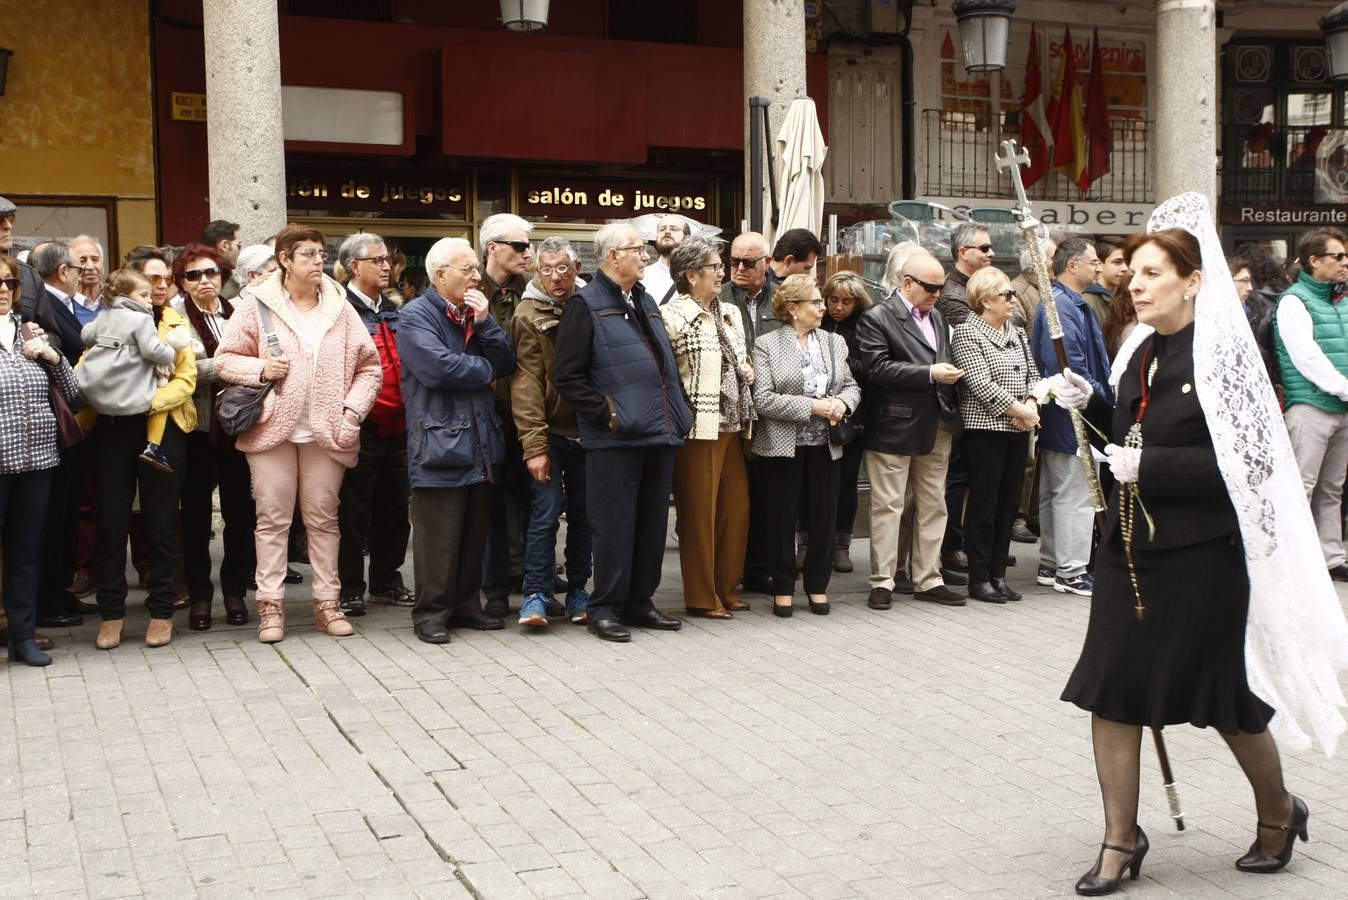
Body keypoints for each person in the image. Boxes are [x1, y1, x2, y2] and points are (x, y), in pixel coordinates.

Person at [1057, 194, 1348, 895]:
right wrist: (1088, 400)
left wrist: (1149, 467)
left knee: (1222, 699)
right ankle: (1121, 841)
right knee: (1112, 693)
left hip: (1203, 558)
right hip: (1128, 553)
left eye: (1152, 273)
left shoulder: (1223, 359)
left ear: (1193, 280)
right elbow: (1127, 428)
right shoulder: (1136, 351)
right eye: (1133, 275)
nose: (1136, 284)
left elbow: (1252, 467)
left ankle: (1279, 811)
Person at [215, 224, 382, 644]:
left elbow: (369, 367)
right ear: (285, 259)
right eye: (307, 254)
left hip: (327, 431)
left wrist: (352, 413)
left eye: (320, 254)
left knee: (324, 519)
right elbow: (224, 360)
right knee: (272, 519)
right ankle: (270, 607)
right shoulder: (256, 305)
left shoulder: (340, 306)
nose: (316, 262)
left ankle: (328, 602)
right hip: (272, 427)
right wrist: (260, 370)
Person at [553, 222, 692, 643]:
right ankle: (605, 606)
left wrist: (679, 408)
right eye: (638, 249)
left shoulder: (644, 299)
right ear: (613, 256)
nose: (646, 256)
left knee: (651, 525)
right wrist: (609, 414)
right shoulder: (585, 304)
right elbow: (567, 377)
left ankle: (639, 602)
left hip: (659, 430)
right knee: (613, 526)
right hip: (615, 437)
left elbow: (664, 362)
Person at [397, 237, 517, 644]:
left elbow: (508, 361)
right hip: (438, 441)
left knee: (473, 530)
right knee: (438, 534)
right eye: (467, 268)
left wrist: (487, 326)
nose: (475, 275)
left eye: (474, 268)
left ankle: (467, 605)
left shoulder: (475, 314)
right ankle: (430, 612)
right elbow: (439, 369)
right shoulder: (416, 315)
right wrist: (485, 369)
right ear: (440, 273)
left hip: (480, 439)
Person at [86, 262, 198, 650]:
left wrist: (149, 402)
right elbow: (89, 366)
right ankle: (111, 615)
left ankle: (162, 612)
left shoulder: (174, 325)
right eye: (151, 279)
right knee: (111, 523)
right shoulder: (110, 320)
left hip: (161, 428)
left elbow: (186, 380)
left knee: (163, 522)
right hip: (112, 428)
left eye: (165, 279)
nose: (159, 286)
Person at [858, 252, 967, 611]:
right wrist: (930, 373)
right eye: (931, 287)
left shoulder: (936, 316)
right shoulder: (878, 316)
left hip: (937, 422)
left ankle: (929, 578)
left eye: (939, 287)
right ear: (907, 283)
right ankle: (883, 580)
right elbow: (876, 369)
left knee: (934, 504)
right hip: (893, 423)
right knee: (888, 505)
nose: (938, 293)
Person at [750, 273, 859, 616]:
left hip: (825, 444)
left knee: (824, 517)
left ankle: (817, 586)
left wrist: (843, 403)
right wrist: (812, 406)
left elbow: (852, 385)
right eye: (816, 302)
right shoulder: (767, 344)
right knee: (782, 518)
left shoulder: (833, 342)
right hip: (781, 446)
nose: (823, 307)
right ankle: (782, 587)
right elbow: (763, 399)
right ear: (794, 308)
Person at [662, 235, 755, 619]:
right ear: (691, 274)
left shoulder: (730, 310)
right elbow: (668, 373)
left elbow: (739, 353)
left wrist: (746, 365)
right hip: (698, 424)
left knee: (736, 508)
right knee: (699, 512)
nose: (723, 272)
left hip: (733, 421)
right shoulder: (672, 315)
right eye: (715, 267)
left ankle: (726, 586)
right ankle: (702, 595)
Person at [171, 243, 256, 631]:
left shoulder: (239, 313)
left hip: (238, 428)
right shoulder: (173, 317)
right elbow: (178, 373)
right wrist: (230, 367)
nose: (204, 281)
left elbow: (259, 359)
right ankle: (200, 596)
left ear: (223, 277)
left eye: (211, 273)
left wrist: (234, 367)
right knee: (195, 517)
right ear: (182, 282)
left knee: (241, 513)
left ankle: (235, 590)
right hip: (196, 429)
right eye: (194, 274)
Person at [0, 255, 80, 666]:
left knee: (26, 552)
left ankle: (23, 636)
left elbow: (74, 391)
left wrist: (51, 357)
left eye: (9, 283)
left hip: (37, 462)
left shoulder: (31, 331)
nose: (2, 289)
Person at [510, 236, 591, 628]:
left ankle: (578, 590)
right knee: (544, 514)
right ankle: (536, 593)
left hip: (589, 431)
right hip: (550, 431)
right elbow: (525, 383)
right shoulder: (527, 313)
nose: (555, 278)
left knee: (583, 515)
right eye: (546, 269)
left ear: (576, 268)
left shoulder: (592, 304)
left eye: (562, 268)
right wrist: (535, 445)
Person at [334, 232, 414, 617]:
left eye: (388, 260)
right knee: (352, 514)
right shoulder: (337, 308)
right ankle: (349, 588)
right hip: (359, 427)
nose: (387, 266)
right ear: (354, 266)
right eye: (378, 260)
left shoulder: (395, 307)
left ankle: (386, 580)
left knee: (395, 510)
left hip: (400, 427)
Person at [949, 267, 1040, 603]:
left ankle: (999, 573)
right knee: (984, 505)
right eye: (1007, 294)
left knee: (1008, 503)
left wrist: (1031, 403)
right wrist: (1021, 411)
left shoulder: (1016, 331)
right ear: (986, 300)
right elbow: (980, 384)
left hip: (1018, 427)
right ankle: (979, 577)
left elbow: (1033, 372)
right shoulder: (967, 333)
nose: (1012, 300)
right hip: (986, 429)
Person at [1031, 237, 1112, 597]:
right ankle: (1072, 570)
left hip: (1060, 413)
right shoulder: (1062, 306)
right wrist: (1101, 394)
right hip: (1071, 412)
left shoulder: (1069, 303)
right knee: (1074, 494)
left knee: (1057, 492)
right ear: (1073, 265)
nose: (1099, 266)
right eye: (1093, 261)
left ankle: (1053, 563)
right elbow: (1069, 366)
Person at [1270, 229, 1348, 580]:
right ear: (1314, 261)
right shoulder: (1293, 301)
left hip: (1341, 406)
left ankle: (1332, 558)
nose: (1346, 263)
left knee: (1332, 488)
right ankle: (1290, 558)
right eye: (1339, 257)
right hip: (1310, 407)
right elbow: (1306, 357)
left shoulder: (1342, 300)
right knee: (1302, 486)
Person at [74, 269, 191, 473]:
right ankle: (153, 448)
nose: (149, 300)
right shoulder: (142, 319)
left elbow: (86, 336)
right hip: (133, 399)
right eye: (143, 295)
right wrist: (170, 352)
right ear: (124, 296)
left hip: (98, 394)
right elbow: (151, 350)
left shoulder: (103, 315)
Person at [478, 213, 534, 618]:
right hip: (484, 415)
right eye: (519, 246)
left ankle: (535, 583)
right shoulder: (467, 290)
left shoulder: (533, 291)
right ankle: (495, 589)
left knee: (536, 503)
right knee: (493, 508)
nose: (527, 253)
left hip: (527, 415)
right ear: (493, 247)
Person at [937, 220, 994, 579]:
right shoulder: (953, 294)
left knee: (972, 476)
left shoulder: (976, 287)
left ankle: (975, 545)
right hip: (959, 396)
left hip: (978, 396)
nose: (991, 254)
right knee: (956, 477)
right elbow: (991, 327)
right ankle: (952, 546)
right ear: (963, 253)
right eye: (984, 248)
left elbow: (1012, 322)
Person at [815, 271, 871, 573]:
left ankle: (841, 543)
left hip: (854, 415)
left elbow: (869, 367)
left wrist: (840, 363)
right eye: (833, 300)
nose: (838, 307)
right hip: (818, 412)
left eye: (846, 301)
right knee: (814, 483)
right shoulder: (818, 323)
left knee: (847, 483)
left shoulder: (864, 326)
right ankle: (808, 541)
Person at [719, 231, 778, 355]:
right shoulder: (716, 298)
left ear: (767, 262)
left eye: (748, 263)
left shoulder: (783, 297)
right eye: (734, 261)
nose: (740, 268)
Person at [642, 213, 690, 305]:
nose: (667, 232)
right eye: (662, 229)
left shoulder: (698, 276)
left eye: (673, 229)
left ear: (687, 239)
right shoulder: (641, 276)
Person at [68, 235, 105, 327]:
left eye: (95, 259)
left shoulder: (115, 300)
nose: (90, 266)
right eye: (82, 260)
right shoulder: (63, 305)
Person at [203, 220, 242, 299]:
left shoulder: (201, 275)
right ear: (224, 246)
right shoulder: (221, 279)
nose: (240, 252)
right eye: (239, 246)